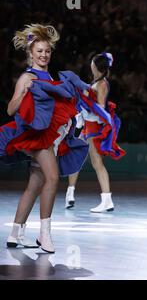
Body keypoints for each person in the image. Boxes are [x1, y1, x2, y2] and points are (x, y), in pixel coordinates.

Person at [1, 24, 88, 253]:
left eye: (47, 51)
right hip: (38, 139)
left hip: (50, 137)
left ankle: (15, 233)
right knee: (52, 178)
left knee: (35, 184)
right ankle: (44, 234)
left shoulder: (48, 75)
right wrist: (23, 91)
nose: (44, 55)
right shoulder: (27, 76)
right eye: (39, 51)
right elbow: (11, 109)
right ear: (30, 53)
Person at [64, 52, 126, 212]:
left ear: (96, 66)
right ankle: (69, 194)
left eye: (92, 63)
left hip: (93, 126)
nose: (90, 65)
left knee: (96, 162)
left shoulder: (102, 84)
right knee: (76, 157)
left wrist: (85, 101)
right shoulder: (96, 82)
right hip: (86, 124)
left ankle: (107, 200)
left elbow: (100, 107)